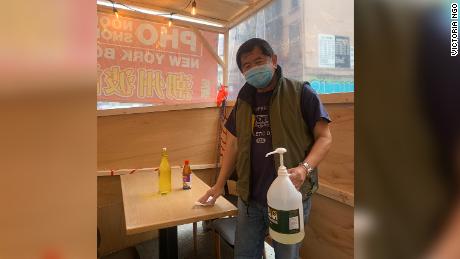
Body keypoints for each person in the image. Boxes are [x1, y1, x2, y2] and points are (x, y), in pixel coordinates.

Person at [198, 38, 332, 259]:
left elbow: (325, 137)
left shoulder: (301, 92)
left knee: (286, 255)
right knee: (245, 254)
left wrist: (304, 169)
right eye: (247, 66)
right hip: (250, 198)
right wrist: (219, 184)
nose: (253, 69)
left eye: (259, 61)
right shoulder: (243, 99)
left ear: (274, 61)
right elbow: (232, 144)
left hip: (289, 198)